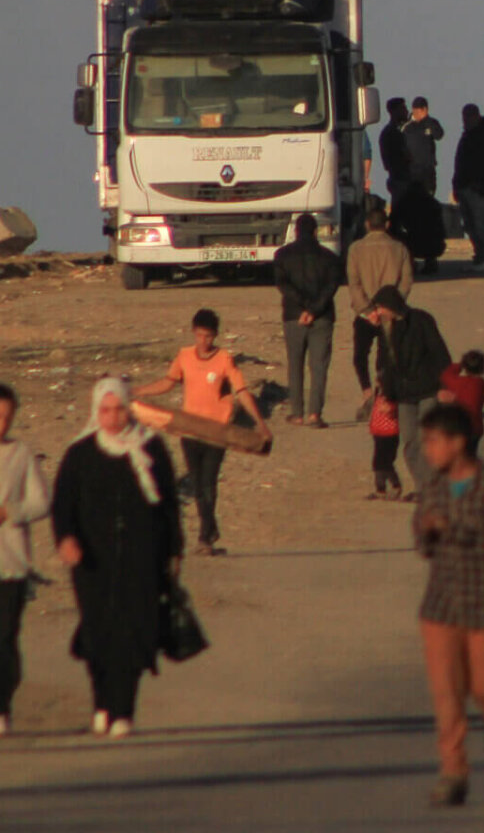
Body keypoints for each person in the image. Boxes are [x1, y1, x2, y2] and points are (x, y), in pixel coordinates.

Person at [53, 378, 183, 739]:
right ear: (96, 411)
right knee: (98, 632)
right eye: (106, 410)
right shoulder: (80, 453)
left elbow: (169, 504)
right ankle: (102, 705)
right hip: (92, 561)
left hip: (142, 559)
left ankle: (123, 710)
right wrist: (65, 539)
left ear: (130, 408)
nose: (113, 417)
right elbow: (63, 504)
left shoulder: (151, 448)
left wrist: (174, 550)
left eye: (120, 409)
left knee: (132, 632)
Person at [415, 403, 484, 806]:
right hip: (441, 607)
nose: (427, 450)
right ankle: (454, 771)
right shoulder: (432, 487)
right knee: (447, 694)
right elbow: (422, 543)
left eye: (433, 441)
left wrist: (459, 531)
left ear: (457, 442)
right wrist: (429, 532)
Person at [132, 308, 261, 558]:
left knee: (209, 482)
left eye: (209, 336)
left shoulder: (224, 359)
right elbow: (168, 382)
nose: (204, 342)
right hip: (189, 429)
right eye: (200, 335)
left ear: (215, 336)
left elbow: (241, 391)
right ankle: (210, 530)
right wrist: (139, 391)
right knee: (197, 481)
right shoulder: (184, 356)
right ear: (194, 333)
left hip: (216, 430)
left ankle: (204, 536)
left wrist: (258, 421)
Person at [0, 385, 50, 741]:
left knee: (2, 636)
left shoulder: (20, 453)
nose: (1, 424)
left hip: (9, 558)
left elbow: (41, 502)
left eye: (7, 418)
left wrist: (8, 512)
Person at [368, 285, 452, 492]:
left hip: (429, 389)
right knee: (410, 442)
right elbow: (386, 365)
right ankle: (422, 485)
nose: (378, 313)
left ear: (390, 305)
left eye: (380, 307)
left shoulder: (422, 320)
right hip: (404, 395)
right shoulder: (385, 329)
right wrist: (387, 396)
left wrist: (445, 385)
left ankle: (431, 486)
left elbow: (439, 353)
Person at [274, 215, 342, 429]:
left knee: (295, 365)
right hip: (322, 317)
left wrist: (303, 307)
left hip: (293, 316)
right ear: (315, 232)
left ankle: (297, 413)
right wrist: (313, 310)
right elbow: (331, 287)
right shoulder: (329, 257)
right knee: (319, 366)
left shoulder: (282, 255)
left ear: (295, 231)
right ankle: (315, 414)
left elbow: (283, 285)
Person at [349, 202, 414, 401]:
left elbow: (354, 283)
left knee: (360, 355)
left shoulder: (356, 249)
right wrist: (393, 304)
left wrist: (367, 309)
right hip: (390, 313)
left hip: (364, 313)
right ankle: (382, 392)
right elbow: (406, 281)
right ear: (386, 225)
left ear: (367, 224)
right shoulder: (399, 248)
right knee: (386, 356)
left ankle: (367, 392)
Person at [454, 104, 484, 273]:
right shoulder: (467, 136)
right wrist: (457, 185)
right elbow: (460, 163)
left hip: (479, 188)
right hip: (464, 186)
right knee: (469, 224)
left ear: (475, 116)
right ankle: (479, 255)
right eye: (464, 117)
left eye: (468, 117)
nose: (465, 121)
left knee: (482, 222)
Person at [438, 350, 484, 450]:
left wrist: (461, 364)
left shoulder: (455, 381)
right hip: (475, 428)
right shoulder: (480, 384)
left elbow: (445, 375)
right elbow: (483, 399)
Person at [406, 97, 445, 194]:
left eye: (419, 111)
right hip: (412, 171)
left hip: (428, 170)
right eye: (415, 111)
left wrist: (427, 120)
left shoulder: (431, 123)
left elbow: (439, 135)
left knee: (428, 198)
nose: (417, 114)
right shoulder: (408, 126)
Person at [379, 98, 413, 200]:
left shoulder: (392, 131)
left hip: (398, 179)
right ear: (394, 111)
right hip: (400, 179)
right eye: (403, 108)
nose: (406, 112)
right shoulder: (392, 133)